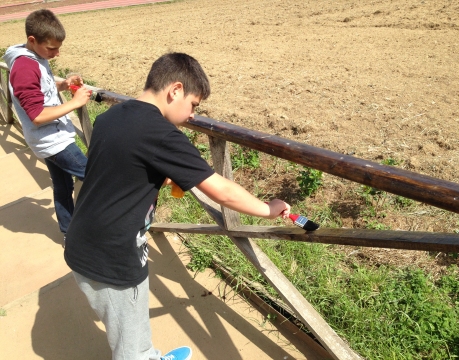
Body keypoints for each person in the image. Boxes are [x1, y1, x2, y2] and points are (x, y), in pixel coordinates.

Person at [64, 52, 291, 360]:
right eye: (194, 104)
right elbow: (222, 191)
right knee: (130, 347)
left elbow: (120, 166)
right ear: (175, 90)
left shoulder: (111, 117)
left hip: (83, 241)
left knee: (130, 326)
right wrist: (268, 208)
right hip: (112, 256)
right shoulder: (159, 133)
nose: (193, 115)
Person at [3, 9, 92, 240]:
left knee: (63, 187)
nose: (56, 53)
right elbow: (37, 114)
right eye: (51, 48)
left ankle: (69, 233)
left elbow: (42, 88)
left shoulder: (33, 57)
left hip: (49, 138)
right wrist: (75, 103)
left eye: (58, 48)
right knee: (95, 175)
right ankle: (100, 227)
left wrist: (64, 84)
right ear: (32, 40)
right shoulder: (24, 67)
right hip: (52, 140)